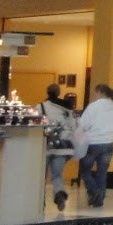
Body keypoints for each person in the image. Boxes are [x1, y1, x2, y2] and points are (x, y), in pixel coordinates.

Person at [73, 84, 113, 209]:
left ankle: (94, 192)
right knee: (102, 172)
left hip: (93, 143)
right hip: (109, 143)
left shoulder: (94, 106)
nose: (95, 96)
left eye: (95, 93)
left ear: (100, 92)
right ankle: (99, 199)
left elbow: (84, 124)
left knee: (85, 170)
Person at [39, 84, 75, 212]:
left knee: (41, 175)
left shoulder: (41, 107)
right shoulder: (66, 109)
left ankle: (40, 201)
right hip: (63, 146)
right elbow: (72, 126)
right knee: (57, 175)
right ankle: (59, 193)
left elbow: (35, 124)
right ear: (59, 93)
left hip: (46, 145)